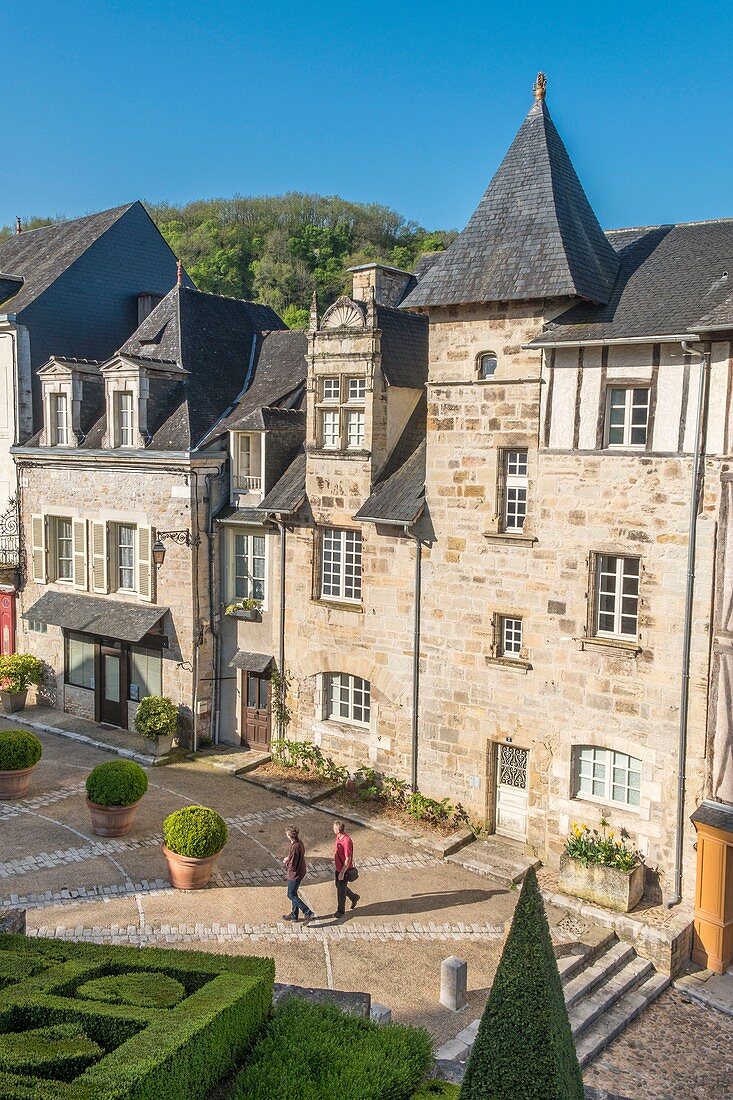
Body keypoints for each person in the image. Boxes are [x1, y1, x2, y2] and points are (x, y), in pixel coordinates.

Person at [282, 825, 314, 922]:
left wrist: (286, 862)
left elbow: (293, 865)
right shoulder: (298, 843)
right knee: (294, 893)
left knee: (291, 894)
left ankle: (307, 912)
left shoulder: (295, 847)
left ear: (289, 835)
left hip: (295, 874)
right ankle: (294, 915)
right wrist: (289, 859)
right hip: (300, 870)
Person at [333, 819, 360, 917]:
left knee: (341, 891)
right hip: (339, 868)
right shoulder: (338, 837)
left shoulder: (346, 841)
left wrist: (342, 872)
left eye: (334, 827)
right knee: (338, 886)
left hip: (344, 870)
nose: (333, 829)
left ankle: (341, 912)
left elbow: (348, 859)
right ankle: (354, 897)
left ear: (337, 829)